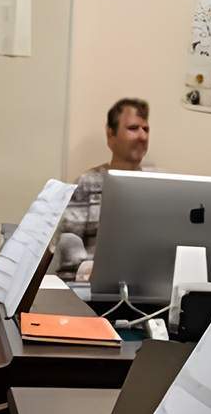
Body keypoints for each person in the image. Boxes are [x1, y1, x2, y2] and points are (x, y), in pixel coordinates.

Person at [56, 96, 151, 284]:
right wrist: (90, 271)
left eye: (146, 129)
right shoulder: (88, 183)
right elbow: (67, 246)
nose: (142, 136)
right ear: (110, 135)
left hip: (145, 290)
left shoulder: (157, 186)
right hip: (92, 292)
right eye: (133, 128)